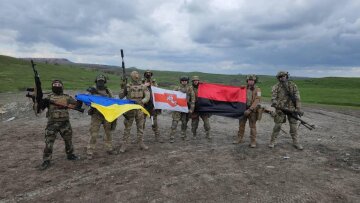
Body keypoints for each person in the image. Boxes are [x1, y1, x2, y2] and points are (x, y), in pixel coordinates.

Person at [40, 80, 81, 170]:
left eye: (59, 84)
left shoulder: (66, 97)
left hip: (65, 123)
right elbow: (39, 109)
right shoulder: (48, 97)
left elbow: (77, 105)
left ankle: (70, 155)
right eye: (55, 84)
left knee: (68, 141)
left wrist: (81, 98)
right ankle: (46, 160)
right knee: (49, 143)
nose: (57, 86)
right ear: (52, 86)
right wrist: (39, 102)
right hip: (52, 123)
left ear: (62, 86)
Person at [269, 71, 304, 150]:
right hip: (280, 109)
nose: (282, 78)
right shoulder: (276, 87)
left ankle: (296, 142)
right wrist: (274, 103)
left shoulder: (293, 85)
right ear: (278, 78)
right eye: (280, 77)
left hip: (292, 109)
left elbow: (297, 98)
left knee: (293, 127)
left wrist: (298, 108)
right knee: (277, 125)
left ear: (287, 76)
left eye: (284, 76)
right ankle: (272, 141)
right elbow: (273, 97)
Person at [86, 74, 117, 159]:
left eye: (102, 81)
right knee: (94, 134)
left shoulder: (108, 91)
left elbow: (113, 101)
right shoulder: (92, 90)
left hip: (106, 114)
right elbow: (85, 100)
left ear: (104, 82)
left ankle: (109, 148)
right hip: (96, 114)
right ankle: (90, 151)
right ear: (96, 82)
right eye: (99, 81)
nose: (100, 83)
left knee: (108, 133)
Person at [119, 71, 150, 152]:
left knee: (140, 127)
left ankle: (141, 143)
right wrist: (122, 88)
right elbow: (120, 96)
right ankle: (124, 144)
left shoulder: (143, 86)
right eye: (134, 75)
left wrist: (142, 101)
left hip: (139, 109)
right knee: (127, 128)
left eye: (137, 75)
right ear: (132, 76)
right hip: (130, 110)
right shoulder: (127, 86)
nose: (136, 76)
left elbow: (147, 96)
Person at [233, 74, 261, 148]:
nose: (250, 81)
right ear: (247, 81)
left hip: (252, 111)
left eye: (252, 80)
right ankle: (239, 138)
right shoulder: (243, 88)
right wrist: (240, 88)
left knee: (252, 127)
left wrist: (250, 109)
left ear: (254, 81)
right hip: (243, 109)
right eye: (249, 80)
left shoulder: (258, 89)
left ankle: (253, 141)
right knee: (241, 125)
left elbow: (257, 100)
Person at [169, 76, 195, 143]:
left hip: (185, 108)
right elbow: (171, 96)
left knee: (184, 123)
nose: (184, 82)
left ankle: (183, 136)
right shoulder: (176, 88)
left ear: (187, 81)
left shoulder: (190, 89)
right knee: (174, 123)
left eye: (185, 81)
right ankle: (172, 137)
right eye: (183, 81)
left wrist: (191, 109)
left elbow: (193, 100)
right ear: (181, 81)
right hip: (177, 108)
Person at [142, 70, 163, 143]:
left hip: (152, 106)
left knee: (154, 123)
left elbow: (158, 93)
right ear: (144, 75)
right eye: (147, 73)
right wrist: (144, 85)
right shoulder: (141, 83)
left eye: (149, 74)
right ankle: (140, 138)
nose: (148, 75)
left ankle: (157, 137)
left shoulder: (154, 83)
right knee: (142, 123)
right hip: (144, 106)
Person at [190, 76, 211, 140]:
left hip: (203, 108)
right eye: (194, 80)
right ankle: (194, 134)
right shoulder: (190, 88)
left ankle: (208, 134)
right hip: (195, 109)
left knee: (206, 123)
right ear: (193, 81)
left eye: (197, 80)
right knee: (194, 124)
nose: (196, 81)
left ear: (198, 81)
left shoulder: (203, 88)